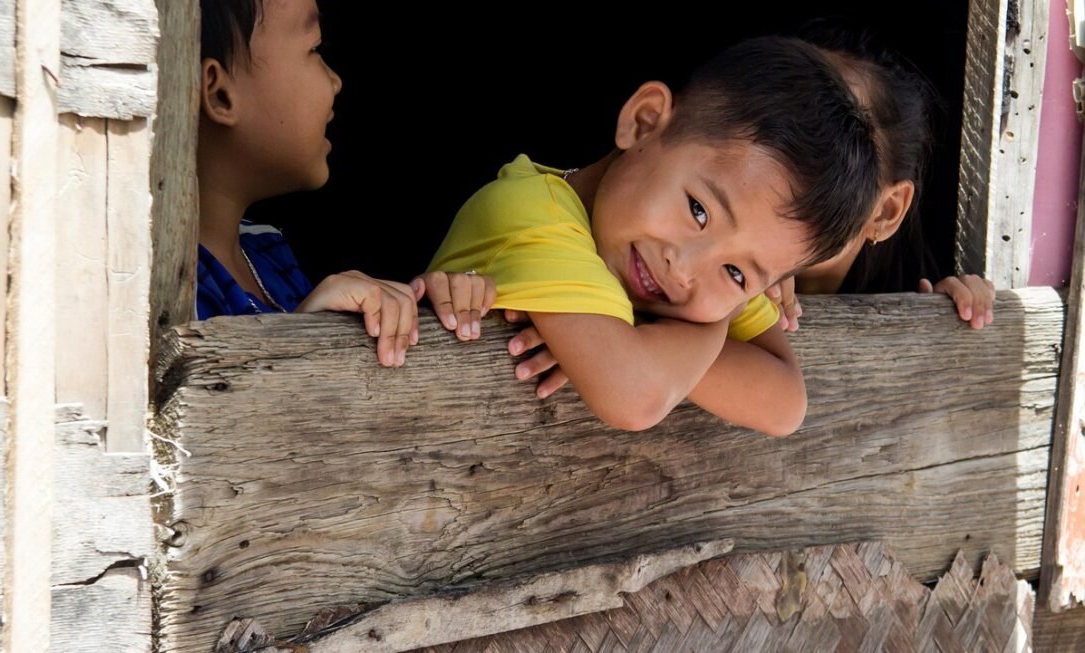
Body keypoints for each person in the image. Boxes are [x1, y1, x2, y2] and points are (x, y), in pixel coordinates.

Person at [424, 37, 881, 435]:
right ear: (643, 121)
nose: (684, 270)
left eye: (737, 273)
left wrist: (661, 335)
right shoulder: (529, 213)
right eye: (698, 210)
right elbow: (634, 395)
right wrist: (719, 316)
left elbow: (785, 405)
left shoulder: (680, 271)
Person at [195, 0, 493, 367]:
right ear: (219, 93)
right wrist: (303, 337)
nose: (336, 81)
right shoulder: (165, 285)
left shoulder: (265, 248)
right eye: (314, 49)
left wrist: (426, 314)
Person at [767, 25, 996, 333]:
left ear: (886, 211)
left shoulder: (906, 287)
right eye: (772, 121)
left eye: (833, 139)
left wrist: (953, 315)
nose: (780, 156)